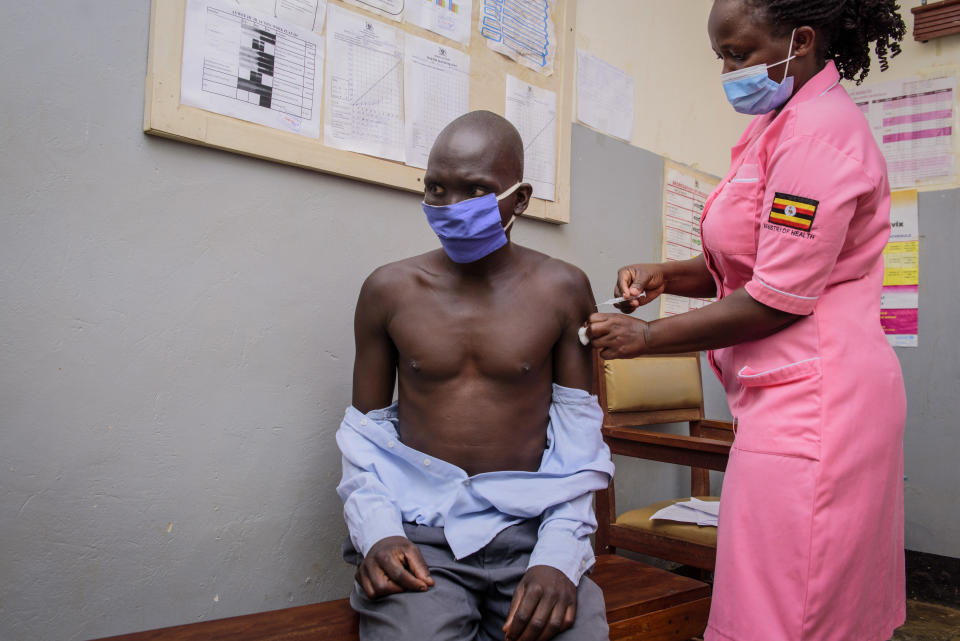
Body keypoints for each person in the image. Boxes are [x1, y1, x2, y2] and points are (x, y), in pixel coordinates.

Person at [586, 2, 907, 641]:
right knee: (796, 599)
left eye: (739, 53)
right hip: (789, 398)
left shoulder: (816, 138)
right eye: (720, 57)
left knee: (786, 610)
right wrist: (669, 274)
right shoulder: (779, 124)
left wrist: (646, 339)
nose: (728, 71)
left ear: (803, 41)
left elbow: (775, 298)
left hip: (818, 407)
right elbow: (752, 263)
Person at [337, 110, 614, 641]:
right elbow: (365, 436)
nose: (451, 207)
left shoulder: (562, 290)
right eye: (436, 188)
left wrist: (559, 555)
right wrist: (378, 534)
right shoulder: (388, 290)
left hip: (532, 530)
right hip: (422, 538)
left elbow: (580, 440)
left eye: (476, 190)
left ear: (521, 198)